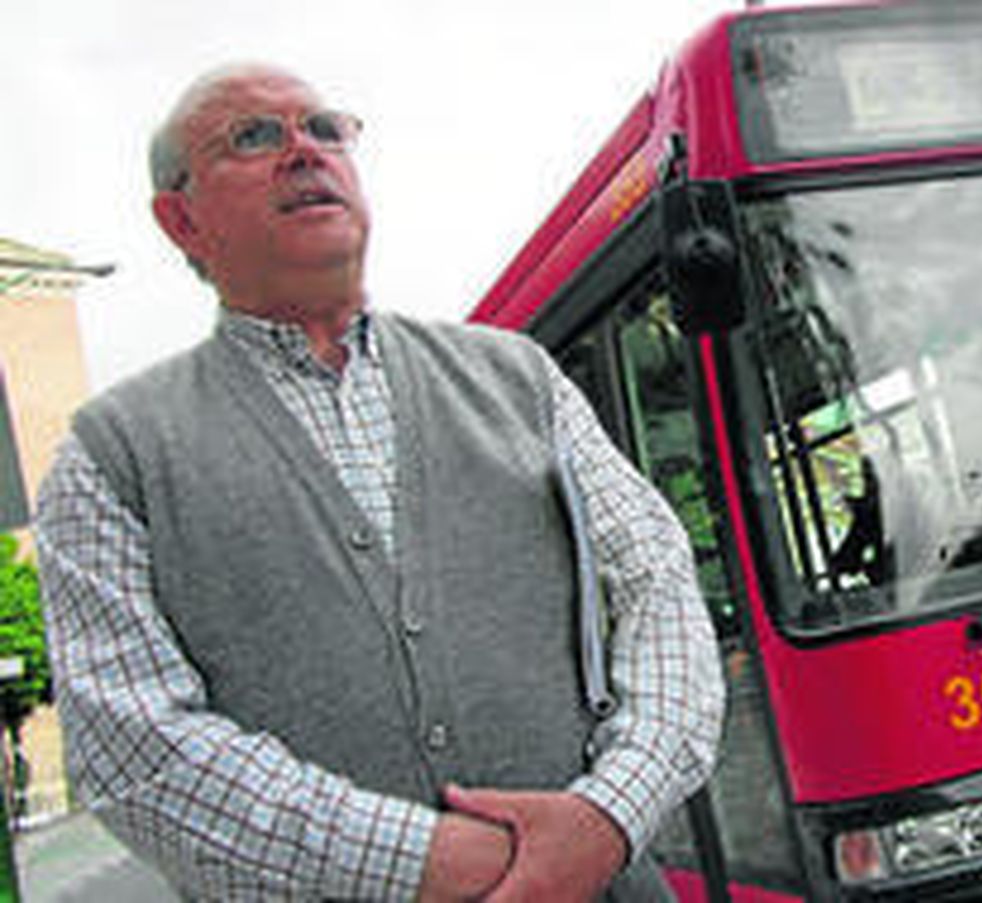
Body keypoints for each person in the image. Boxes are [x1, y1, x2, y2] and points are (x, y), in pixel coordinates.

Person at [34, 62, 725, 901]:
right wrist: (445, 862)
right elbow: (133, 745)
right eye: (254, 136)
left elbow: (659, 586)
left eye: (326, 128)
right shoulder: (112, 455)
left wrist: (608, 815)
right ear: (179, 218)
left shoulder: (520, 379)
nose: (303, 151)